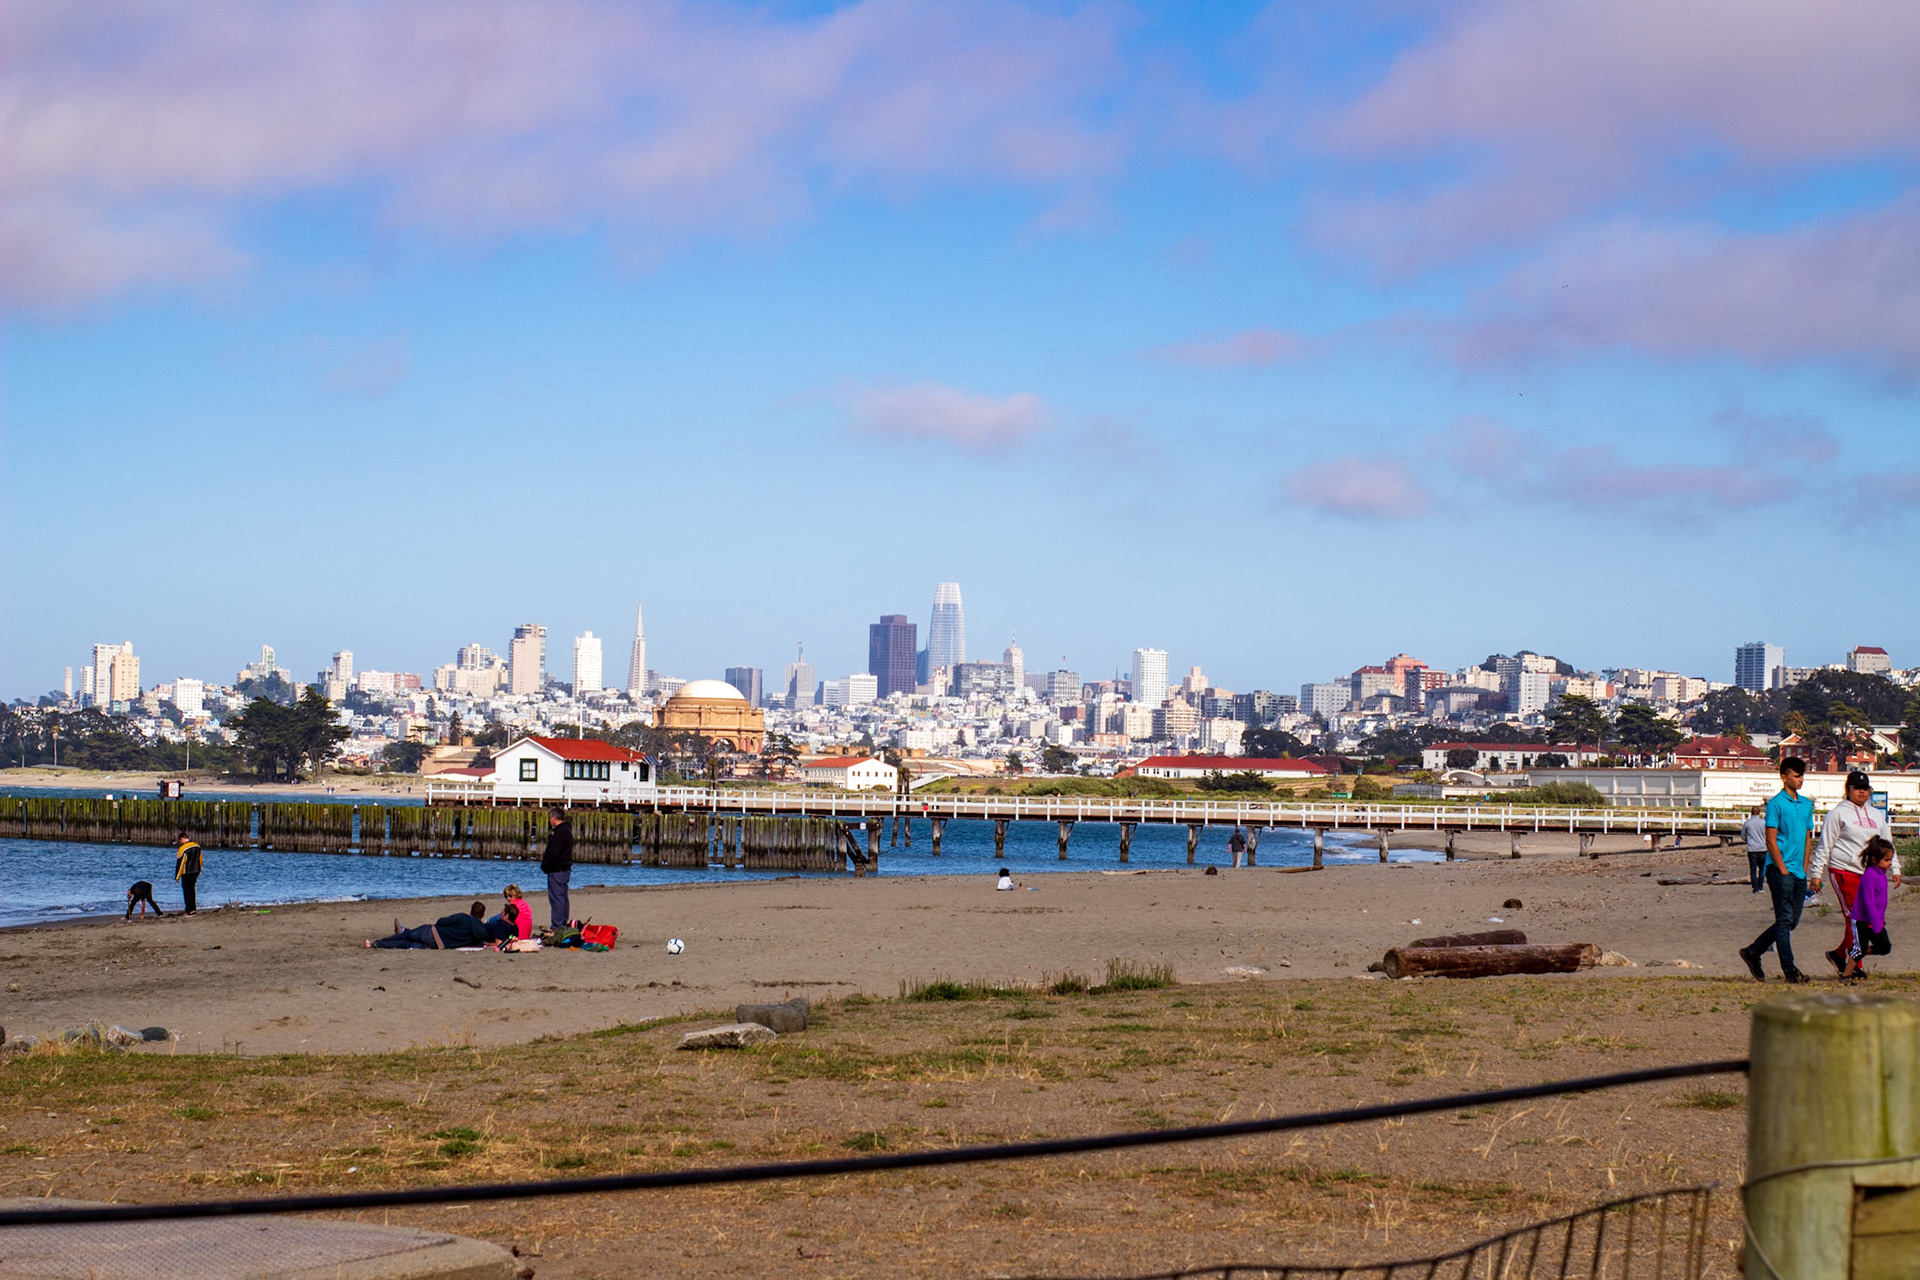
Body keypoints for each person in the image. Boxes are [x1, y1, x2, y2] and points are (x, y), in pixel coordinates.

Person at [1809, 771, 1902, 976]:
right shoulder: (1837, 814)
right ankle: (1855, 966)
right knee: (1855, 918)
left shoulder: (1876, 815)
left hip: (1869, 874)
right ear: (1848, 789)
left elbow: (1887, 843)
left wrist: (1895, 867)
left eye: (1865, 788)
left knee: (1865, 919)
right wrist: (1816, 873)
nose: (1862, 792)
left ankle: (1840, 956)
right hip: (1844, 870)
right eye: (1857, 788)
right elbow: (1825, 844)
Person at [1739, 757, 1815, 983]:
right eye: (1795, 775)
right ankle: (1790, 971)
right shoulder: (1775, 804)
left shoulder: (1806, 804)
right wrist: (1782, 869)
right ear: (1784, 777)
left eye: (1802, 775)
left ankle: (1753, 951)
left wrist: (1803, 867)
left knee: (1792, 921)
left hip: (1798, 872)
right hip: (1779, 870)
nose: (1800, 779)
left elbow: (1808, 836)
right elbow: (1771, 840)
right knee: (1783, 920)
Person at [1843, 837, 1897, 981]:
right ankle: (1846, 975)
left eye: (1890, 859)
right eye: (1886, 860)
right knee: (1859, 948)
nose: (1890, 863)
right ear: (1874, 859)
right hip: (1862, 920)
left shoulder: (1881, 874)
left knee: (1884, 947)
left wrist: (1879, 921)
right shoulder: (1869, 875)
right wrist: (1874, 923)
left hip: (1877, 920)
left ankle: (1854, 953)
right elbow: (1868, 901)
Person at [367, 902, 501, 949]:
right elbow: (479, 944)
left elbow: (441, 921)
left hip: (433, 932)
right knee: (405, 945)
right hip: (438, 945)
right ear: (482, 916)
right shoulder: (480, 932)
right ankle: (377, 945)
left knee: (405, 936)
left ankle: (377, 943)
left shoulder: (463, 917)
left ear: (471, 911)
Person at [542, 807, 574, 930]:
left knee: (556, 897)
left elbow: (554, 853)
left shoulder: (560, 833)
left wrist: (546, 865)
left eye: (550, 818)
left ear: (553, 818)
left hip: (557, 869)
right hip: (564, 868)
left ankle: (558, 923)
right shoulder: (566, 831)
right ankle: (562, 921)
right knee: (562, 895)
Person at [174, 830, 203, 916]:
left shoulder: (183, 849)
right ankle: (193, 908)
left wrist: (177, 876)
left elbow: (181, 863)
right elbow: (200, 860)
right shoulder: (197, 846)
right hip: (195, 871)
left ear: (182, 839)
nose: (180, 842)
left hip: (186, 872)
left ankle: (189, 910)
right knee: (192, 890)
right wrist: (199, 870)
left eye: (180, 841)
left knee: (187, 890)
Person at [1741, 803, 1769, 892]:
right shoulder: (1764, 823)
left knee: (1753, 869)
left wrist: (1748, 840)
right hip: (1762, 848)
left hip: (1752, 849)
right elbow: (1768, 835)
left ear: (1751, 812)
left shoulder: (1747, 823)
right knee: (1762, 869)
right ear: (1759, 812)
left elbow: (1742, 836)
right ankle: (1760, 886)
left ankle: (1755, 887)